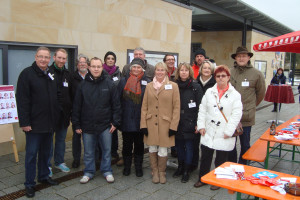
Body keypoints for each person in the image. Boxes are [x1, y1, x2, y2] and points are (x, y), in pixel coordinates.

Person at [16, 47, 59, 198]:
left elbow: (55, 98)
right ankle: (29, 184)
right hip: (33, 125)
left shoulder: (51, 73)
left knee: (46, 153)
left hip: (49, 124)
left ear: (50, 59)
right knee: (31, 155)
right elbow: (22, 100)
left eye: (46, 57)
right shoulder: (26, 74)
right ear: (35, 57)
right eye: (40, 56)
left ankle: (43, 176)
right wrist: (25, 122)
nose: (43, 59)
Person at [72, 57, 121, 184]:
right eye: (93, 66)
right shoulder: (83, 85)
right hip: (87, 124)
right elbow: (77, 105)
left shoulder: (109, 83)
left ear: (102, 67)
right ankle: (89, 172)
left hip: (105, 125)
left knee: (106, 150)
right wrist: (76, 123)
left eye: (98, 66)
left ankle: (107, 171)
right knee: (88, 152)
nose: (96, 69)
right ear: (89, 67)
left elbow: (116, 104)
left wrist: (115, 122)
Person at [194, 65, 242, 190]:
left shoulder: (235, 95)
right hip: (209, 130)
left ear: (228, 77)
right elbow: (202, 109)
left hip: (224, 131)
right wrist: (201, 126)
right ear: (215, 77)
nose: (221, 78)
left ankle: (218, 181)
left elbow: (236, 115)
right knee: (205, 157)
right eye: (218, 76)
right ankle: (202, 178)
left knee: (221, 159)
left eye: (223, 76)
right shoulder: (209, 92)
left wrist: (229, 131)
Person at [140, 62, 180, 184]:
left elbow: (176, 107)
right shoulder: (149, 86)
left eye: (162, 70)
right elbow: (144, 107)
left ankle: (162, 172)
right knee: (152, 148)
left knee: (163, 149)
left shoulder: (173, 86)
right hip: (151, 123)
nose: (160, 72)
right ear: (155, 71)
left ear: (166, 72)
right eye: (158, 70)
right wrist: (143, 125)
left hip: (165, 124)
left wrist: (173, 126)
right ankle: (155, 171)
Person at [228, 46, 266, 165]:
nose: (241, 58)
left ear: (248, 57)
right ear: (235, 58)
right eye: (239, 56)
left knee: (245, 144)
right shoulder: (230, 72)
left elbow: (261, 93)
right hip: (230, 116)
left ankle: (243, 165)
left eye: (244, 56)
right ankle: (232, 165)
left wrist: (251, 106)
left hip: (246, 117)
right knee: (230, 144)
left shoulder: (256, 74)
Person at [118, 58, 150, 177]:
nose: (136, 69)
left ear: (142, 69)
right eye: (134, 67)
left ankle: (138, 167)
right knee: (126, 145)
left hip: (140, 119)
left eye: (138, 67)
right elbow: (118, 100)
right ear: (130, 68)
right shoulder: (123, 81)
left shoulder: (147, 82)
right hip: (126, 119)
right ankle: (127, 167)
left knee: (139, 145)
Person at [173, 63, 203, 183]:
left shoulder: (196, 86)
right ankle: (180, 166)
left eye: (186, 70)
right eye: (181, 70)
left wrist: (198, 123)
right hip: (177, 120)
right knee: (179, 146)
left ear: (189, 72)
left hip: (191, 120)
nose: (184, 72)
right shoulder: (174, 85)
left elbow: (201, 106)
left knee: (189, 147)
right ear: (178, 72)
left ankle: (187, 170)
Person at [48, 48, 72, 176]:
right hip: (51, 115)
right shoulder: (48, 72)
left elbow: (70, 94)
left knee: (61, 140)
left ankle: (59, 161)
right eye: (59, 58)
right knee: (48, 141)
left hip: (64, 114)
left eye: (64, 58)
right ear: (54, 57)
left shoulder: (68, 74)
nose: (61, 60)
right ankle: (47, 165)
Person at [191, 60, 216, 172]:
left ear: (212, 71)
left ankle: (206, 169)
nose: (206, 70)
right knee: (195, 143)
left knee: (207, 147)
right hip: (197, 117)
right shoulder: (195, 83)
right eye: (204, 68)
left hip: (211, 118)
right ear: (200, 70)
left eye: (208, 68)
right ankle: (194, 164)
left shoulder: (215, 84)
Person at [102, 51, 121, 161]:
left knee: (114, 130)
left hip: (115, 105)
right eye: (108, 58)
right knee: (103, 130)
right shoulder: (101, 71)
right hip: (103, 105)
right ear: (105, 60)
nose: (110, 60)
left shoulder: (118, 72)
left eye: (112, 58)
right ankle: (103, 153)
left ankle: (114, 151)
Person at [71, 54, 89, 168]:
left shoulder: (92, 76)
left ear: (88, 64)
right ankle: (76, 159)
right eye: (80, 62)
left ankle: (90, 157)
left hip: (90, 113)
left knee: (89, 137)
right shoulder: (71, 77)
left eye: (84, 62)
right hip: (76, 112)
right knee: (76, 137)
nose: (82, 64)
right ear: (77, 65)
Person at [163, 54, 177, 157]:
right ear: (165, 61)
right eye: (169, 60)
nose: (171, 61)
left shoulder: (177, 72)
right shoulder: (161, 72)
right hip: (164, 106)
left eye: (172, 59)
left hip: (174, 103)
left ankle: (174, 152)